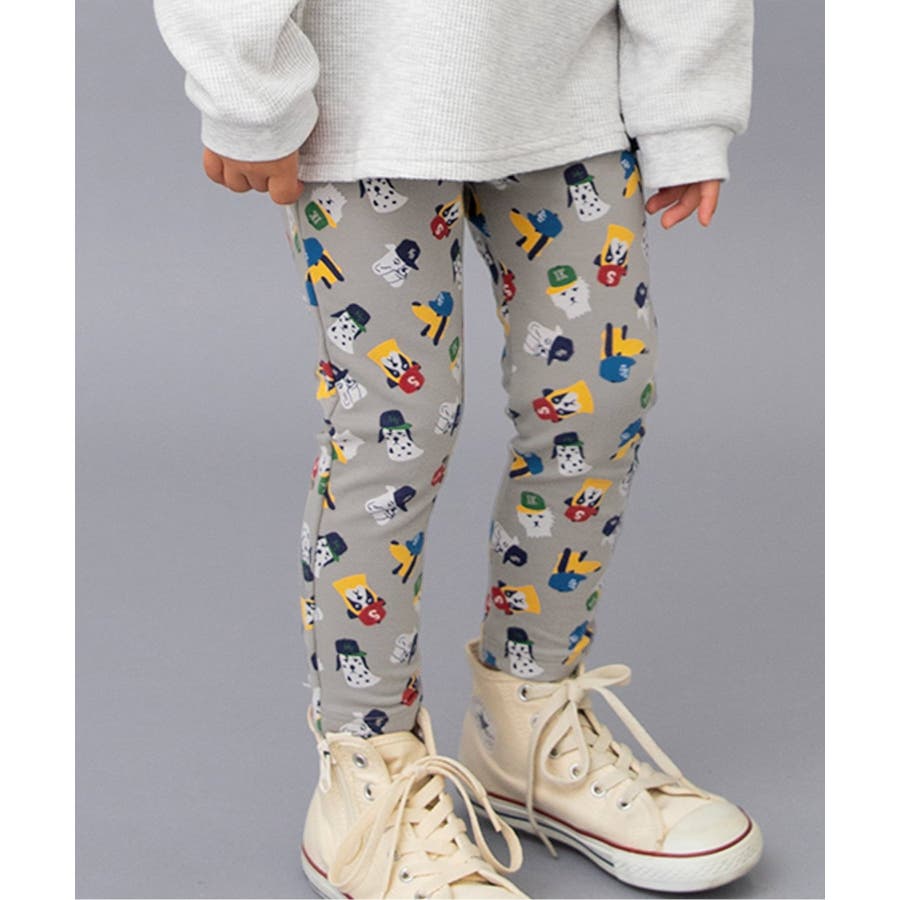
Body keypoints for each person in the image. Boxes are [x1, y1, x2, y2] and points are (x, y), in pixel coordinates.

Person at [153, 1, 760, 896]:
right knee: (396, 430)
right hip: (365, 107)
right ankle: (367, 768)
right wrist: (247, 90)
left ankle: (529, 721)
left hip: (567, 92)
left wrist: (688, 107)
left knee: (598, 398)